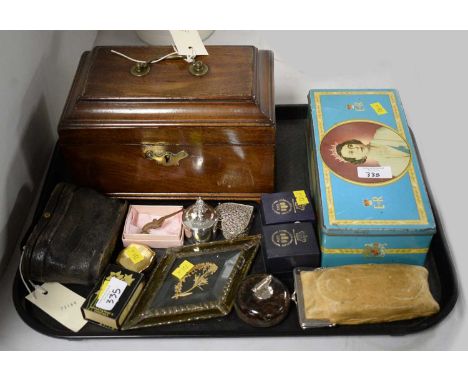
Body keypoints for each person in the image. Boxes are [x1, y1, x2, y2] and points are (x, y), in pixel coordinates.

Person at [335, 126, 410, 177]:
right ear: (357, 159)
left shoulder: (382, 132)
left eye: (350, 146)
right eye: (351, 152)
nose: (355, 148)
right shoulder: (391, 169)